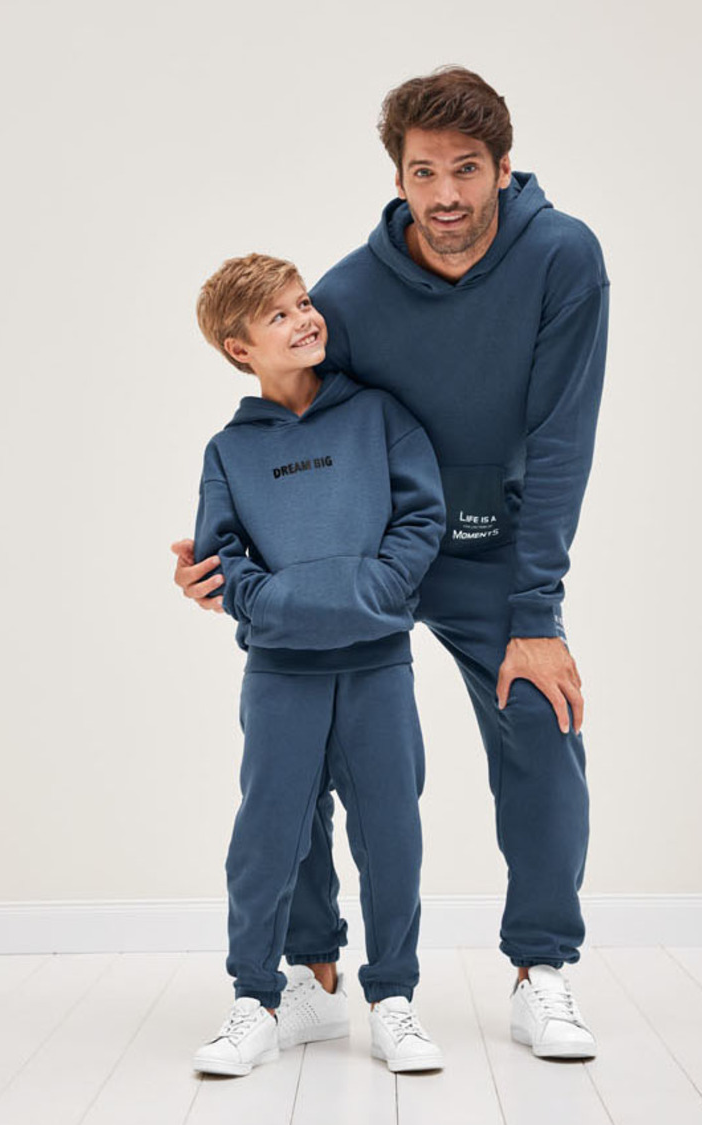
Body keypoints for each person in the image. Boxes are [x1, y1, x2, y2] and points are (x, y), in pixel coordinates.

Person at [173, 66, 609, 1060]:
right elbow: (291, 429)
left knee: (542, 720)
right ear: (399, 177)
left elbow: (562, 440)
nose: (446, 194)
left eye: (467, 169)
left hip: (491, 552)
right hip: (365, 558)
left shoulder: (563, 257)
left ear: (504, 167)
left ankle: (542, 969)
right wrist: (223, 551)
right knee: (297, 746)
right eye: (424, 172)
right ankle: (315, 972)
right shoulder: (346, 296)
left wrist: (537, 611)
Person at [187, 252, 449, 1077]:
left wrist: (376, 589)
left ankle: (393, 998)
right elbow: (224, 559)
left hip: (378, 664)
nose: (306, 318)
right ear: (239, 348)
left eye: (304, 302)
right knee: (270, 835)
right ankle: (259, 998)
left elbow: (421, 519)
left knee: (390, 829)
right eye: (280, 314)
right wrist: (276, 604)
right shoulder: (229, 451)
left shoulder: (378, 414)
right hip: (280, 672)